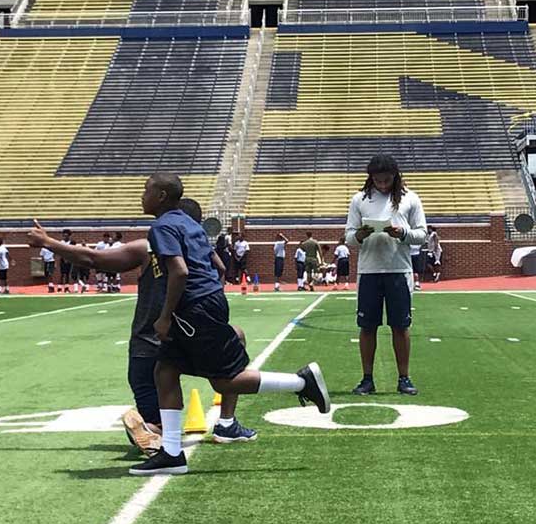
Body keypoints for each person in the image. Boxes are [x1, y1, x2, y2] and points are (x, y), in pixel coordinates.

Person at [130, 173, 330, 475]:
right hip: (205, 302)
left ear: (160, 196)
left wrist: (166, 316)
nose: (141, 196)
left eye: (146, 191)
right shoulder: (188, 223)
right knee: (166, 370)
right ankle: (172, 452)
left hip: (192, 309)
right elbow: (216, 265)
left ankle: (302, 382)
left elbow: (180, 272)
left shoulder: (162, 226)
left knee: (224, 380)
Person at [27, 197, 259, 456]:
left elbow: (93, 259)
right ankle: (225, 422)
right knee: (234, 338)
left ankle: (155, 432)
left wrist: (48, 242)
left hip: (149, 343)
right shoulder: (200, 251)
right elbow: (220, 269)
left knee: (157, 418)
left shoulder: (149, 248)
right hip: (186, 337)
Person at [345, 154, 427, 396]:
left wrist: (402, 233)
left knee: (400, 326)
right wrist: (360, 234)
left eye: (387, 180)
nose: (382, 184)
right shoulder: (359, 199)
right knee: (367, 327)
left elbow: (421, 234)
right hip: (369, 271)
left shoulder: (410, 199)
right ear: (370, 178)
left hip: (399, 270)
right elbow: (349, 236)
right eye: (378, 180)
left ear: (396, 176)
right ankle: (367, 379)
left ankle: (404, 378)